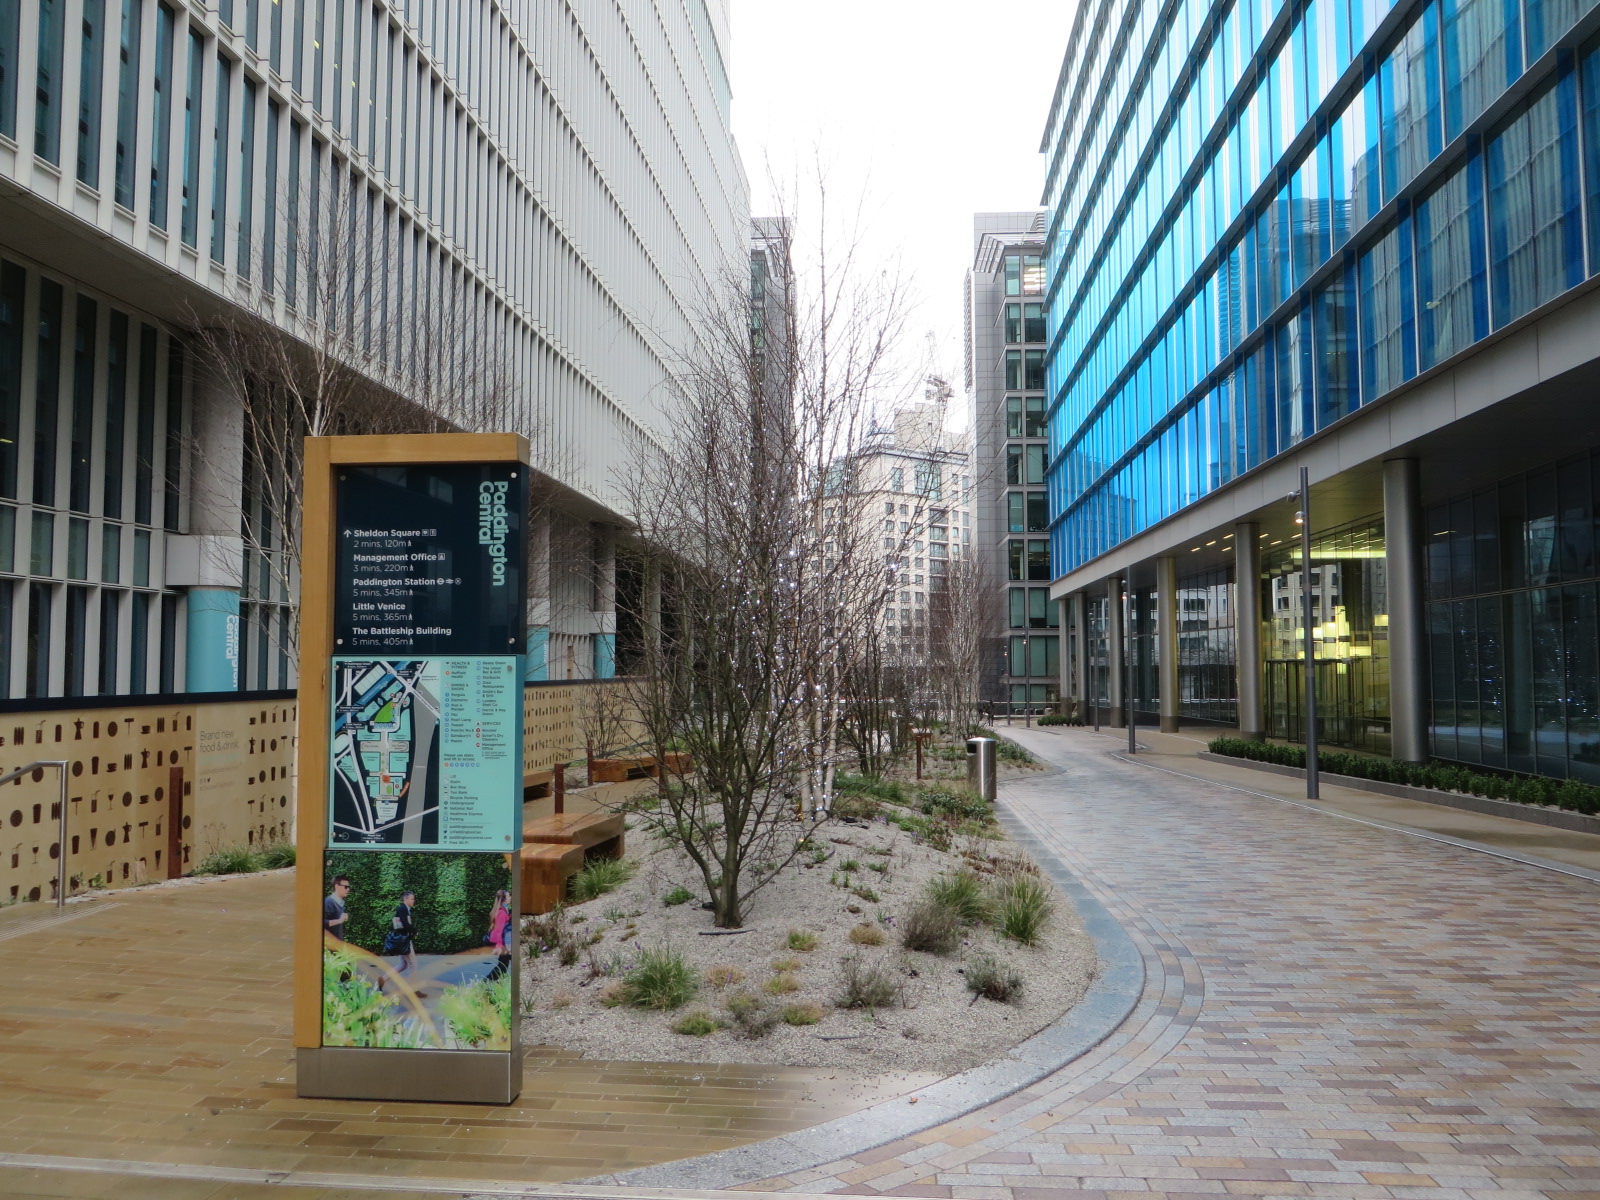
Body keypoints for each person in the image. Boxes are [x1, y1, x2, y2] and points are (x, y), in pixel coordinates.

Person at [381, 890, 423, 996]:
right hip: (404, 941)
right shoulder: (403, 908)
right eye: (412, 899)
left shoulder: (404, 909)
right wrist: (415, 931)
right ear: (405, 899)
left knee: (403, 964)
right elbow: (405, 924)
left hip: (403, 941)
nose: (414, 901)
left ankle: (383, 979)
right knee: (413, 965)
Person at [484, 888, 513, 981]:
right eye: (508, 896)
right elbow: (499, 930)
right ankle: (486, 981)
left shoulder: (503, 910)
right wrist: (499, 946)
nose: (510, 898)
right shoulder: (501, 912)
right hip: (502, 943)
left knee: (503, 964)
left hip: (504, 942)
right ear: (503, 899)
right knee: (503, 965)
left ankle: (488, 981)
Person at [323, 876, 351, 941]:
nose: (348, 889)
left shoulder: (340, 903)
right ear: (337, 886)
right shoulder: (328, 902)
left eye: (348, 887)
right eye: (345, 887)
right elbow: (319, 922)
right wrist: (339, 920)